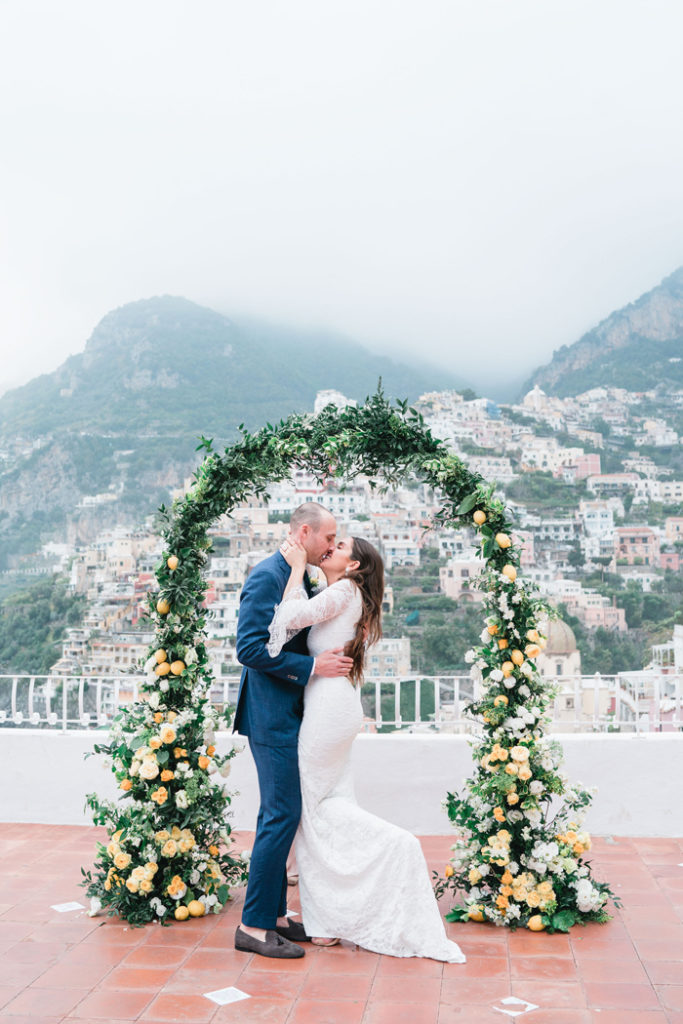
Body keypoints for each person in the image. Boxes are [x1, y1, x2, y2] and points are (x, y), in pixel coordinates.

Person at [266, 533, 466, 963]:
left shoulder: (341, 590)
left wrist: (298, 568)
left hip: (327, 708)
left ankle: (385, 861)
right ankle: (325, 918)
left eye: (340, 549)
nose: (331, 550)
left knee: (316, 810)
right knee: (325, 803)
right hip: (336, 704)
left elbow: (287, 618)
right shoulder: (347, 592)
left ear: (353, 565)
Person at [233, 502, 354, 960]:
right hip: (269, 714)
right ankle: (253, 926)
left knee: (285, 813)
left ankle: (277, 917)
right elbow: (248, 647)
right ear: (305, 532)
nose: (331, 545)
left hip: (291, 714)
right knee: (280, 815)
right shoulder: (267, 574)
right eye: (328, 537)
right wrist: (312, 667)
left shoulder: (300, 575)